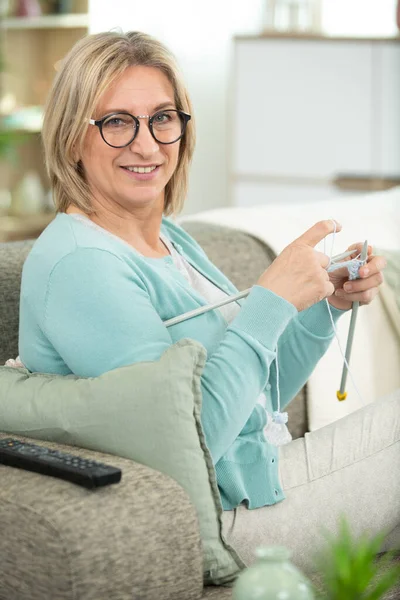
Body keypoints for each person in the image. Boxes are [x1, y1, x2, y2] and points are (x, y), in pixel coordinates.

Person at [18, 31, 398, 575]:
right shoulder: (82, 263)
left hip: (258, 479)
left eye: (163, 118)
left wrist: (323, 304)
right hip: (224, 518)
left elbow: (255, 401)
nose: (146, 145)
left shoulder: (170, 240)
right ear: (72, 136)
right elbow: (186, 445)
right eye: (117, 121)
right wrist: (269, 302)